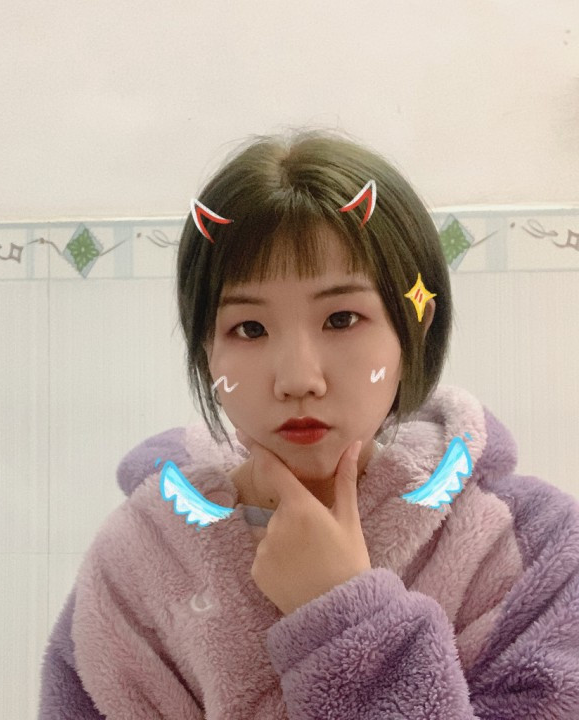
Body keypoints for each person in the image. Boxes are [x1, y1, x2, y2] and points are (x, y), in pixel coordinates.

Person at [38, 131, 579, 719]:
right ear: (206, 351)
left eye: (342, 318)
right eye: (249, 328)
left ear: (414, 328)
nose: (298, 379)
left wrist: (345, 615)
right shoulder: (137, 561)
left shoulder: (534, 546)